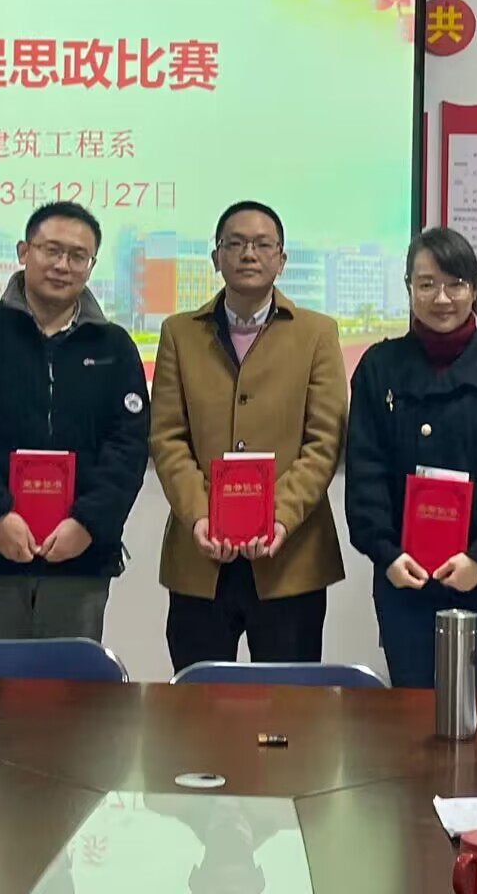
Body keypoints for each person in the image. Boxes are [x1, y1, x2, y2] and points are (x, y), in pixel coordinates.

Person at [0, 202, 150, 641]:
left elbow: (128, 447)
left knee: (69, 682)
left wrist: (88, 523)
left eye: (78, 256)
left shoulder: (114, 346)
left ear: (91, 265)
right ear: (23, 251)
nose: (63, 265)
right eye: (51, 250)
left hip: (80, 558)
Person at [150, 201, 348, 670]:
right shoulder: (179, 333)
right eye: (235, 243)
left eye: (262, 244)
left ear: (282, 259)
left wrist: (277, 517)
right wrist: (201, 515)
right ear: (215, 257)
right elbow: (167, 437)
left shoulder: (317, 333)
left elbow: (323, 442)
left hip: (290, 556)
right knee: (197, 701)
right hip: (200, 556)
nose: (248, 254)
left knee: (288, 704)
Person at [344, 228, 477, 689]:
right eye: (427, 283)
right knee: (411, 704)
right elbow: (366, 469)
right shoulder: (379, 366)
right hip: (405, 576)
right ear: (408, 287)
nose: (442, 298)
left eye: (455, 284)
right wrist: (387, 554)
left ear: (474, 289)